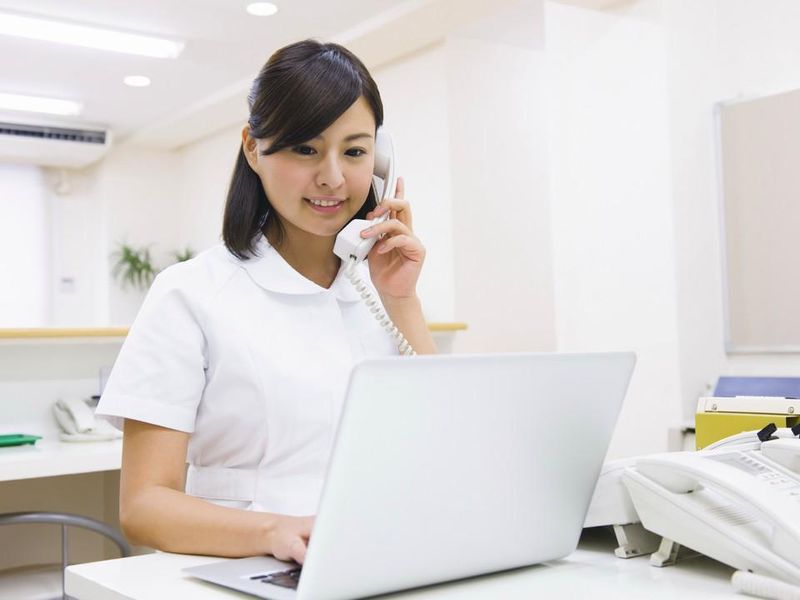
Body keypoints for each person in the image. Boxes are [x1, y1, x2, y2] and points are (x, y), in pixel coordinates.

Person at [96, 39, 436, 565]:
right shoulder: (190, 292)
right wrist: (276, 531)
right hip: (248, 570)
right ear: (254, 149)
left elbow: (438, 443)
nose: (332, 177)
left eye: (354, 151)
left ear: (380, 159)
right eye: (305, 149)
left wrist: (403, 300)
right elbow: (144, 506)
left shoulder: (381, 292)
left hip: (377, 555)